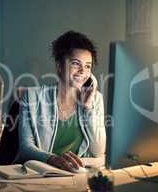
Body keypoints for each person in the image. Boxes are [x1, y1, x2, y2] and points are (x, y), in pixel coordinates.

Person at [15, 31, 106, 172]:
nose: (83, 71)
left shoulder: (96, 99)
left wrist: (88, 107)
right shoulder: (32, 97)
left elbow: (99, 151)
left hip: (76, 175)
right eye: (76, 64)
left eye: (88, 66)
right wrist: (54, 159)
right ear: (59, 66)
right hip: (40, 175)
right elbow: (25, 149)